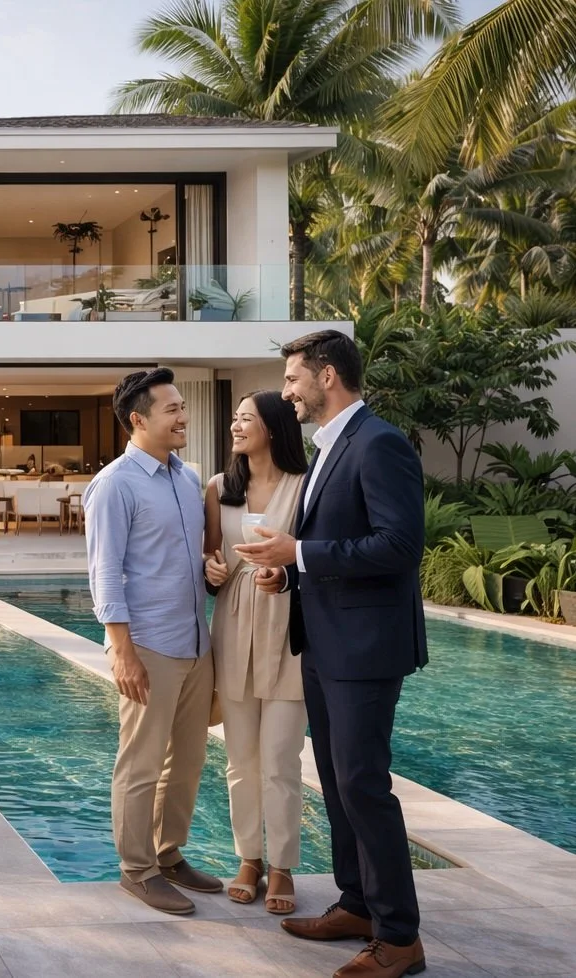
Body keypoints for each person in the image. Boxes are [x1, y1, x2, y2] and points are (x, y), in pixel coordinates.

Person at [234, 330, 428, 978]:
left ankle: (399, 938)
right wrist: (287, 574)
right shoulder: (329, 447)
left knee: (363, 787)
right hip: (322, 643)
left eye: (291, 378)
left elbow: (398, 547)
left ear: (325, 376)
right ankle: (357, 905)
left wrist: (301, 554)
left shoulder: (379, 443)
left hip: (365, 651)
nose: (285, 390)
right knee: (340, 788)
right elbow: (332, 546)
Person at [83, 367, 222, 916]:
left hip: (195, 641)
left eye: (183, 406)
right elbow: (105, 572)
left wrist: (211, 568)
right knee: (141, 762)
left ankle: (168, 854)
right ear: (138, 420)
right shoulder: (115, 484)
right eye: (172, 409)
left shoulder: (187, 478)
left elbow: (188, 555)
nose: (184, 416)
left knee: (186, 761)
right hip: (148, 645)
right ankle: (136, 869)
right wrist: (122, 651)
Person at [204, 390, 308, 915]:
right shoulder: (219, 489)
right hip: (234, 627)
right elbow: (207, 558)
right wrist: (212, 572)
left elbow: (316, 559)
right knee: (240, 759)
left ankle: (284, 865)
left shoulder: (305, 486)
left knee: (280, 758)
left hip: (287, 628)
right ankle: (249, 858)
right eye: (235, 419)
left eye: (246, 419)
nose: (236, 426)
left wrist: (285, 574)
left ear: (272, 427)